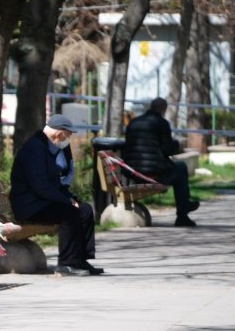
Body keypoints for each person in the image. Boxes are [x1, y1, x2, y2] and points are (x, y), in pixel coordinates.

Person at [10, 114, 103, 277]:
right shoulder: (35, 148)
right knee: (69, 213)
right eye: (68, 135)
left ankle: (79, 259)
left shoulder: (47, 146)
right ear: (59, 133)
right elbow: (41, 186)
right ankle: (66, 263)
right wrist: (66, 201)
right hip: (29, 205)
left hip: (41, 201)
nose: (69, 139)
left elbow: (53, 184)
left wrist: (70, 197)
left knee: (85, 209)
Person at [123, 97, 199, 227]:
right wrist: (176, 144)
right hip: (154, 174)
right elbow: (167, 150)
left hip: (133, 174)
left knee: (178, 168)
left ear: (150, 107)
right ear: (163, 109)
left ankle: (185, 207)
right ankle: (182, 214)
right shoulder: (162, 123)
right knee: (181, 168)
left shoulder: (133, 123)